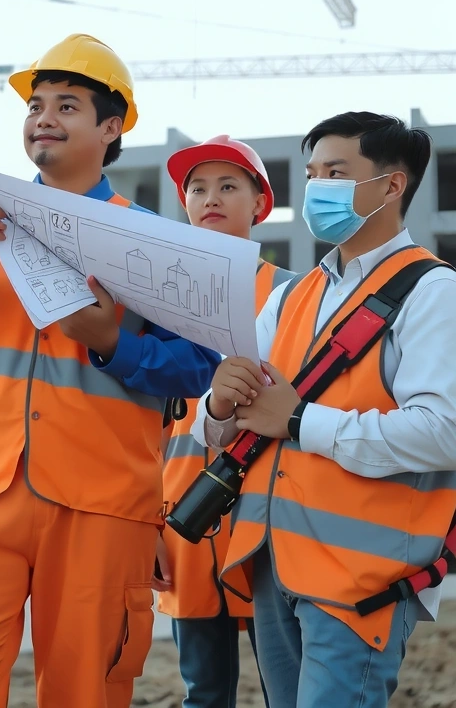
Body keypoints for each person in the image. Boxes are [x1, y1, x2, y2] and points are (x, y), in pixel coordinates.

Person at [0, 34, 222, 708]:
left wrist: (110, 340)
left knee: (87, 692)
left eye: (66, 105)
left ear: (111, 128)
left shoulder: (155, 243)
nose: (43, 116)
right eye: (36, 105)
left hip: (101, 501)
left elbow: (195, 369)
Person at [192, 112, 456, 708]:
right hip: (271, 561)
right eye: (312, 175)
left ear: (392, 186)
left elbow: (444, 432)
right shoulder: (291, 296)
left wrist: (298, 421)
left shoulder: (435, 292)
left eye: (335, 173)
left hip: (362, 578)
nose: (317, 189)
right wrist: (219, 404)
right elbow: (220, 426)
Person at [159, 135, 294, 708]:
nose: (209, 198)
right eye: (197, 187)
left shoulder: (293, 294)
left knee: (283, 684)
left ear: (259, 203)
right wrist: (148, 522)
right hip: (182, 519)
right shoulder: (157, 300)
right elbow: (144, 427)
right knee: (204, 690)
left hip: (267, 517)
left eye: (228, 186)